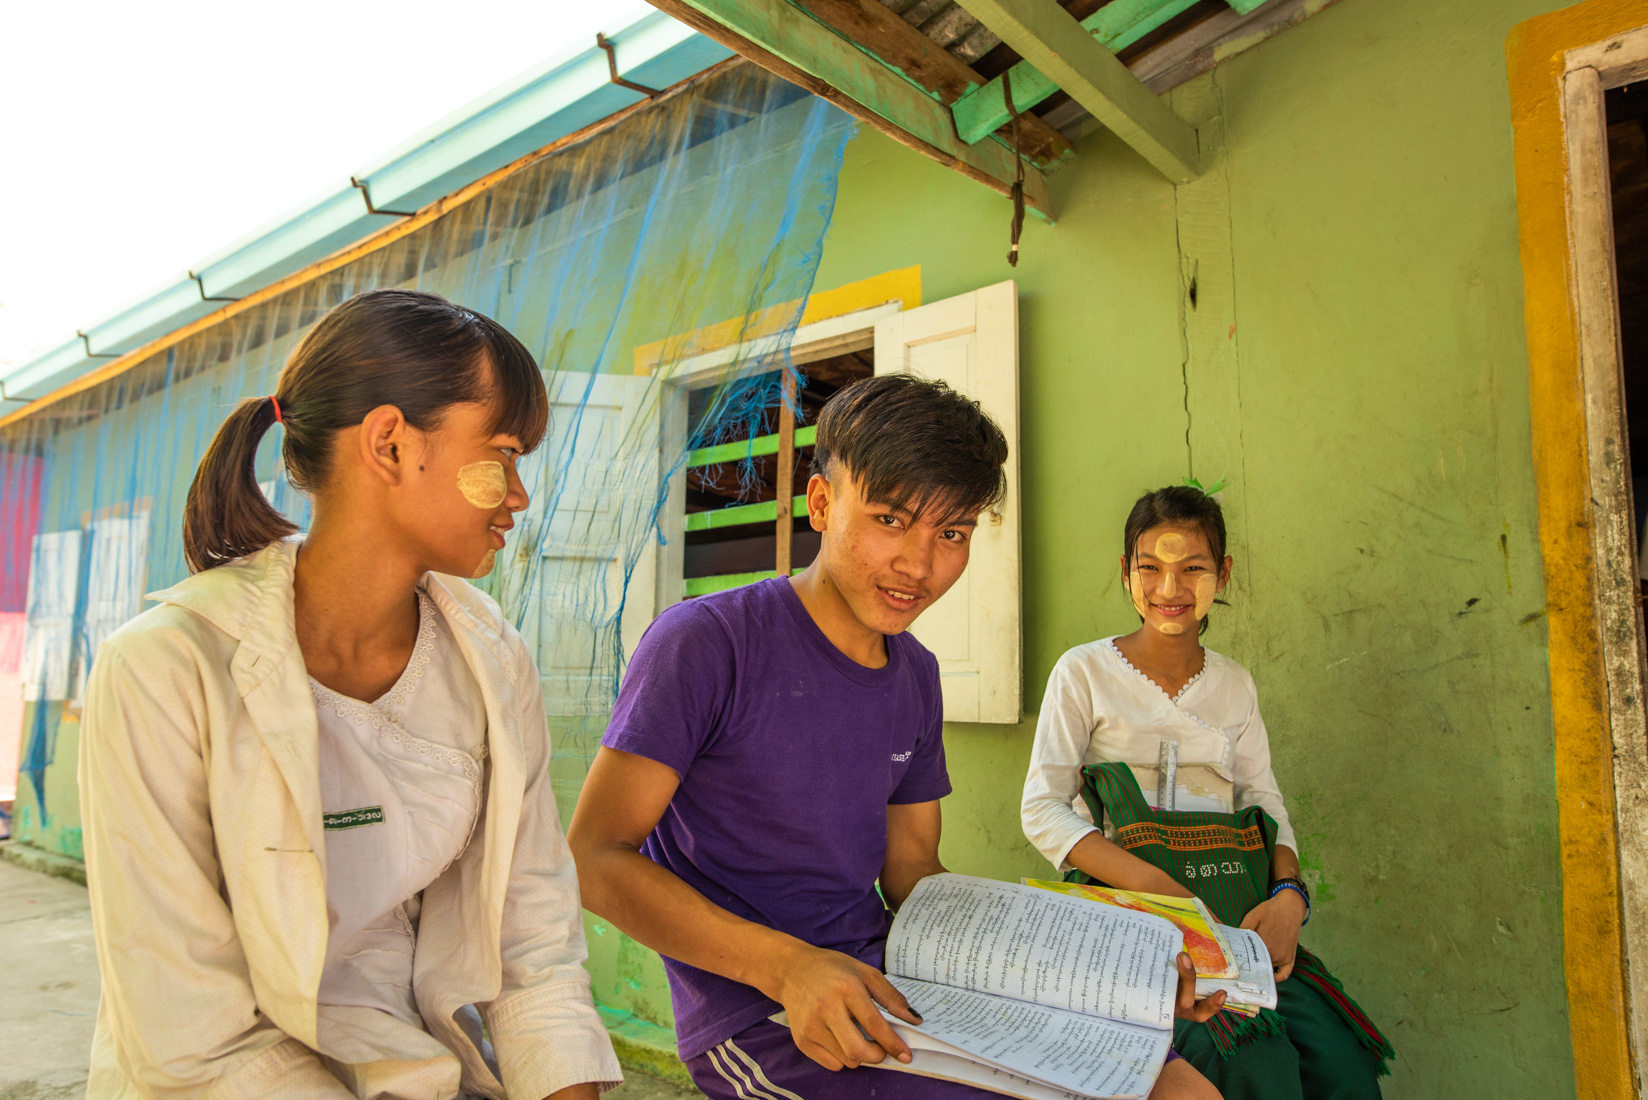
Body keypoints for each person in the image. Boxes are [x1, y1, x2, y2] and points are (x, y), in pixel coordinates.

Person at [568, 376, 1222, 1100]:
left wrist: (1105, 967)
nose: (919, 564)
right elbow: (595, 857)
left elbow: (911, 873)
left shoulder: (915, 674)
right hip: (762, 1014)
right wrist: (788, 968)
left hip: (900, 978)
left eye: (952, 533)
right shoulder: (707, 642)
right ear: (821, 503)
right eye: (889, 519)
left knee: (1175, 1087)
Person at [78, 289, 621, 1099]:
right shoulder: (164, 670)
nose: (519, 496)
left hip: (429, 1070)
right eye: (503, 453)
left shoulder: (492, 657)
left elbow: (532, 937)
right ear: (391, 444)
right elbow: (185, 1031)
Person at [1021, 484, 1393, 1100]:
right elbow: (1042, 809)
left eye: (1192, 569)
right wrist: (1155, 888)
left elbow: (1264, 802)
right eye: (1151, 569)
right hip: (1131, 926)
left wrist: (1289, 899)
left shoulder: (1234, 686)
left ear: (1222, 574)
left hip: (1236, 919)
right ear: (1126, 573)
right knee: (1254, 1059)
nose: (1169, 589)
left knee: (1340, 1058)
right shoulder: (1084, 672)